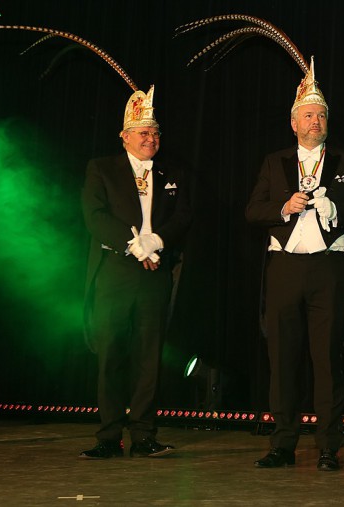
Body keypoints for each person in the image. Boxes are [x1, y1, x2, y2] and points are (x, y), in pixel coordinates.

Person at [246, 59, 344, 471]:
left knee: (327, 362)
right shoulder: (275, 162)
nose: (315, 120)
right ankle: (282, 445)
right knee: (283, 361)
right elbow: (252, 210)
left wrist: (337, 209)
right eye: (308, 115)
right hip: (284, 268)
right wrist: (283, 207)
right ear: (293, 122)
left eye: (321, 115)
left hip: (329, 270)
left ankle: (327, 448)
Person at [79, 85, 192, 459]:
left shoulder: (172, 172)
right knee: (111, 352)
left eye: (155, 133)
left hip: (155, 272)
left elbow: (183, 217)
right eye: (143, 132)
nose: (151, 139)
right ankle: (109, 436)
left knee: (149, 355)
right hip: (116, 271)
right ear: (124, 136)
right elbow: (95, 216)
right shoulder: (102, 168)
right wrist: (133, 245)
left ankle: (144, 434)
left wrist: (155, 240)